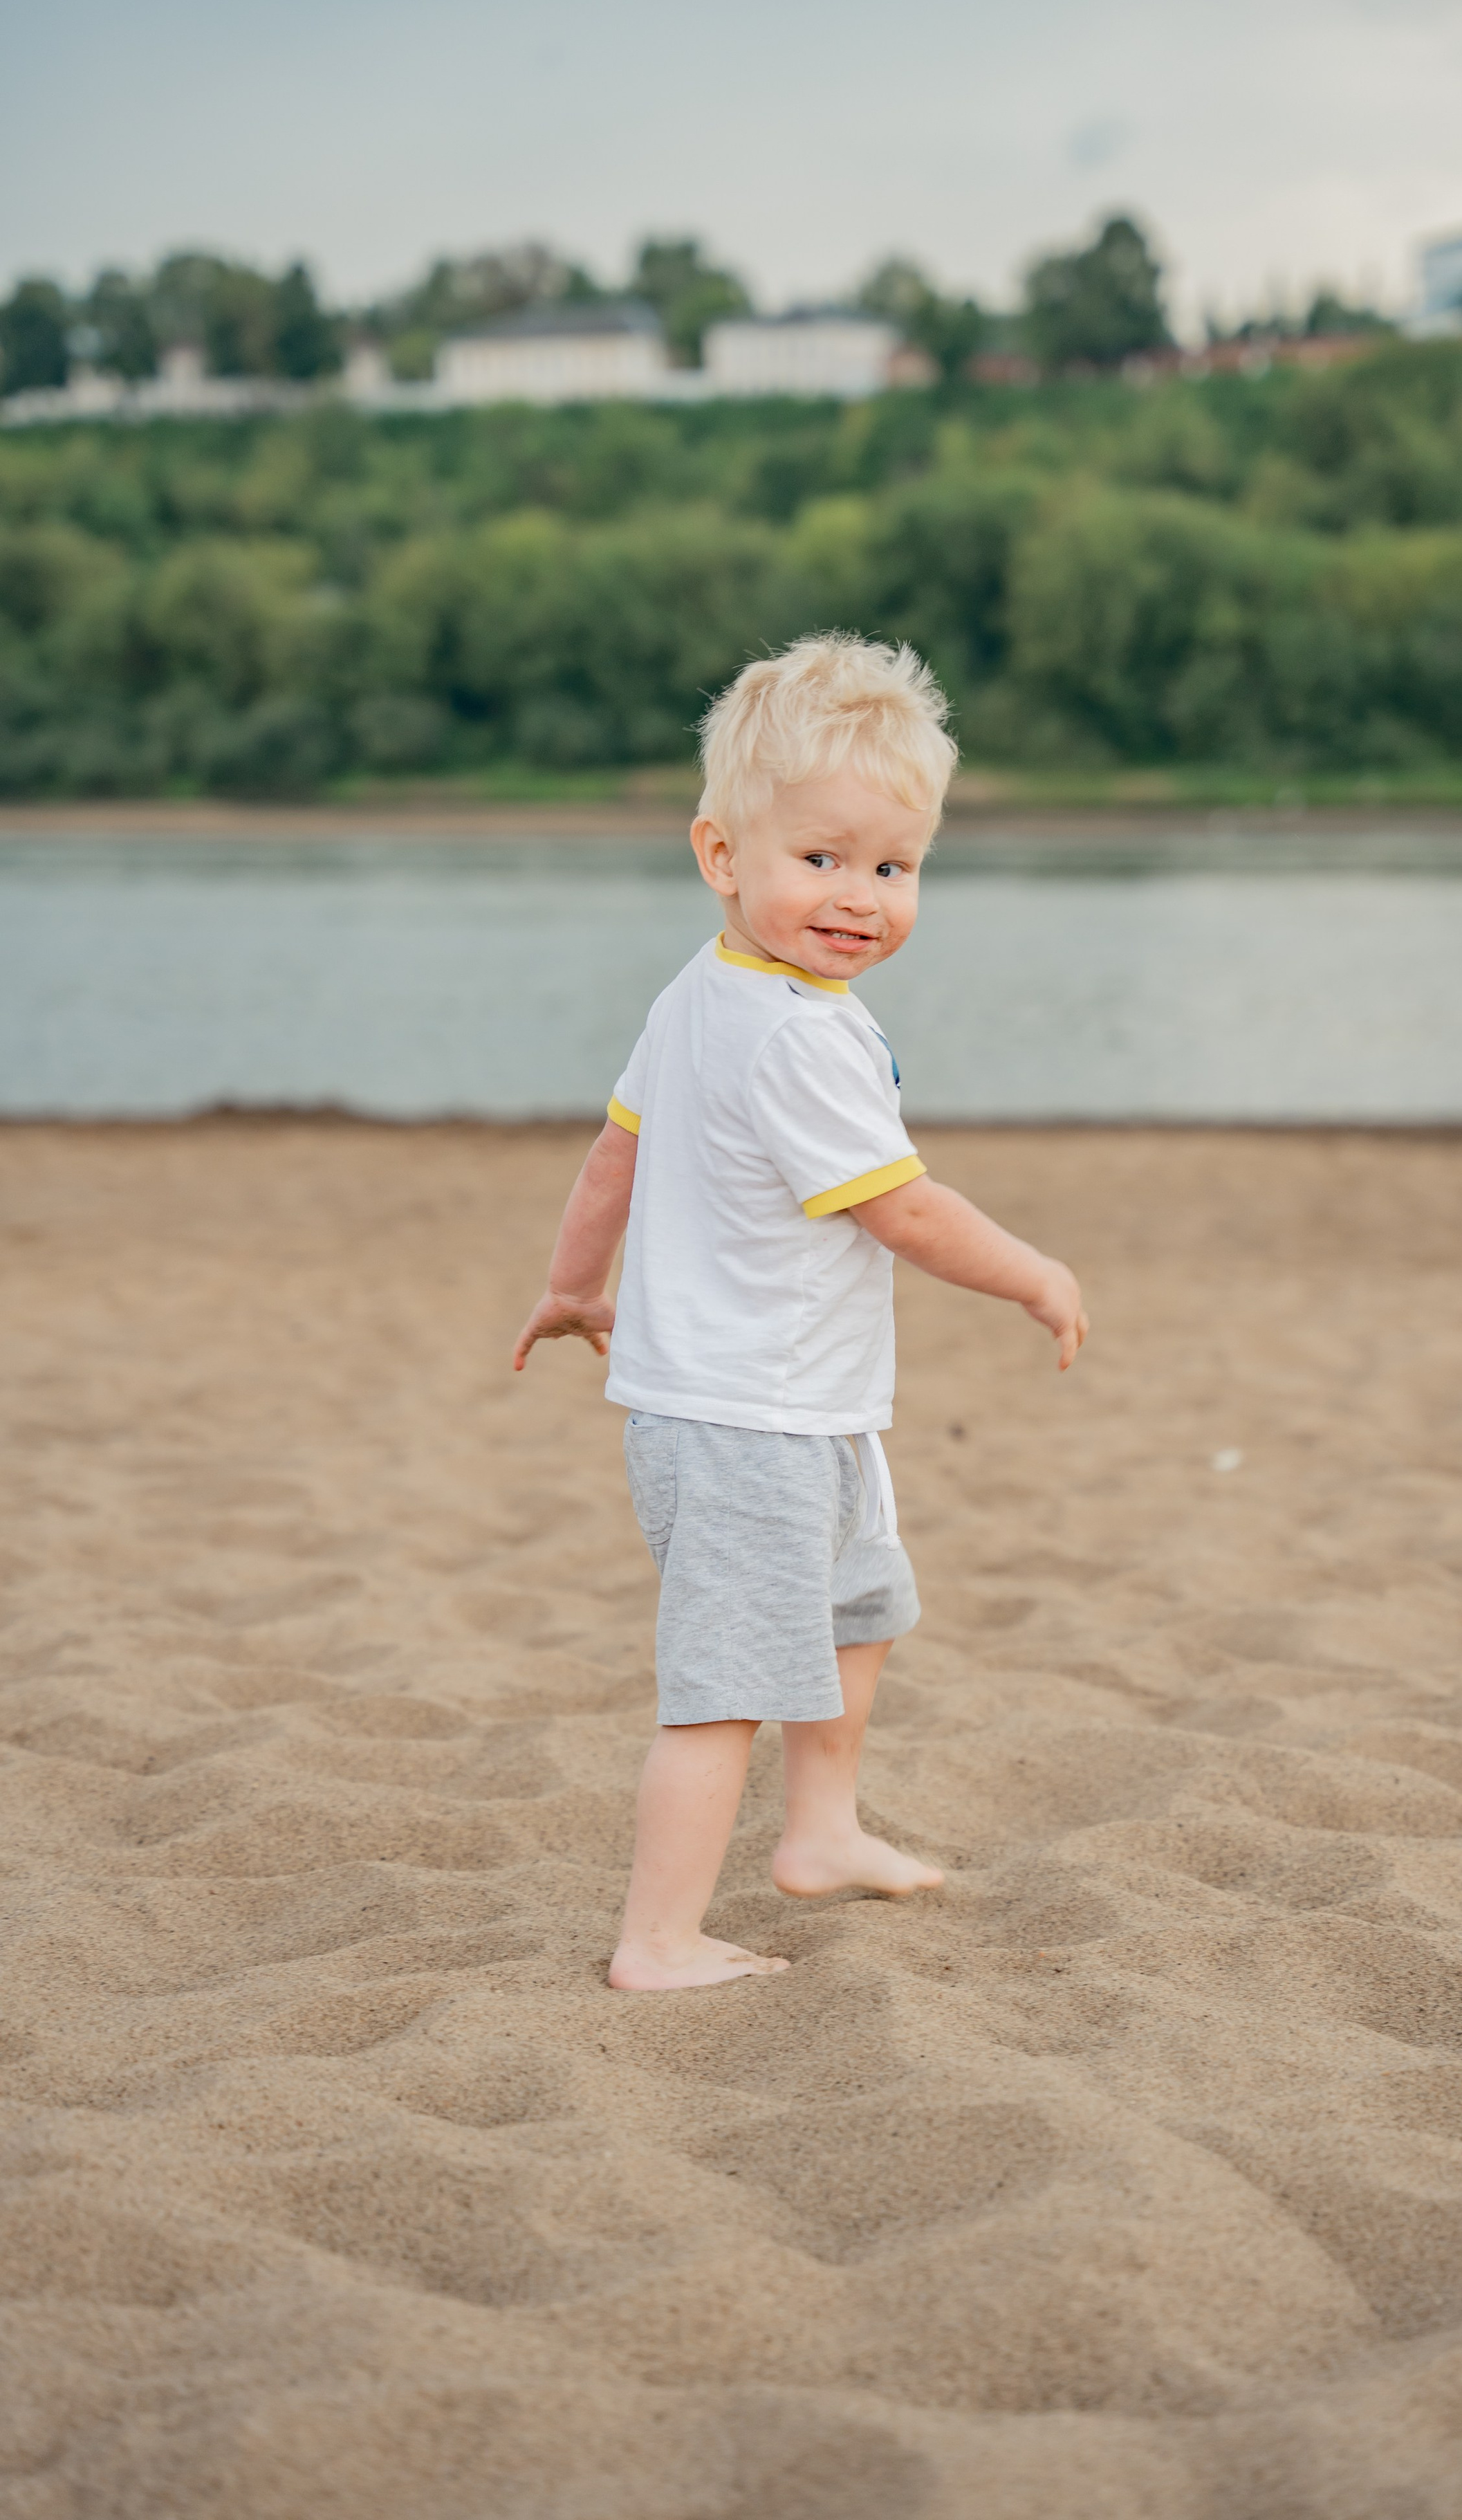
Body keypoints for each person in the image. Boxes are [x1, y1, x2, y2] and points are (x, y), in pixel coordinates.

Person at [512, 634, 1087, 1989]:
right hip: (743, 1416)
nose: (858, 899)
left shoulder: (708, 992)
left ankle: (818, 1832)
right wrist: (1031, 1272)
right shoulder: (797, 1033)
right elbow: (903, 1208)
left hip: (802, 1407)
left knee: (858, 1610)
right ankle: (656, 1940)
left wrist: (571, 1281)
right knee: (725, 1688)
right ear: (721, 855)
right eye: (818, 861)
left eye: (891, 868)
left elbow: (617, 1155)